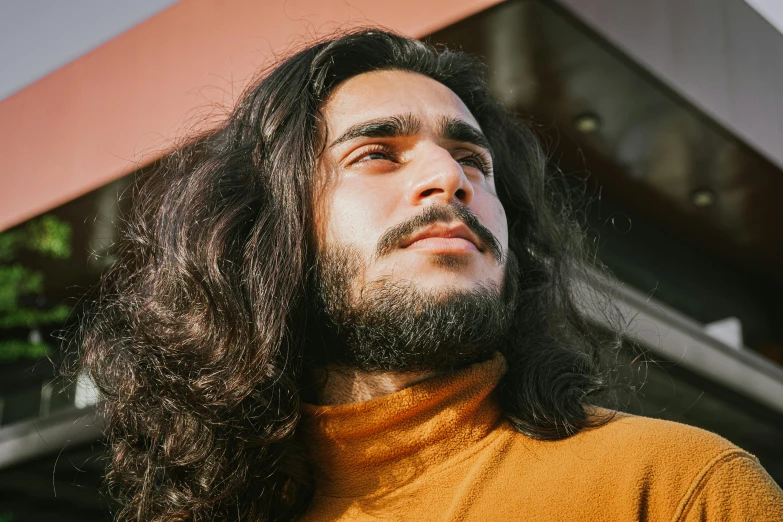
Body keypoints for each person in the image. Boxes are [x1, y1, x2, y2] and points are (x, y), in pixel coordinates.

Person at [77, 29, 783, 521]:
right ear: (267, 228)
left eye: (474, 161)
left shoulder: (677, 488)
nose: (450, 179)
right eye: (377, 153)